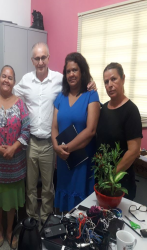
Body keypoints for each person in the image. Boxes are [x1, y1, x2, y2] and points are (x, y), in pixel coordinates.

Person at [13, 43, 96, 224]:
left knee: (48, 187)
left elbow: (79, 84)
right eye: (37, 58)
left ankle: (45, 221)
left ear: (49, 58)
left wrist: (92, 83)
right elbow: (9, 92)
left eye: (44, 57)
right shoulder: (26, 80)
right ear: (32, 60)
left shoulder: (60, 79)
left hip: (52, 144)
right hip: (31, 141)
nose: (40, 62)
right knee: (31, 186)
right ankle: (31, 219)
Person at [0, 65, 30, 249]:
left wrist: (13, 148)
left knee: (10, 202)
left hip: (15, 163)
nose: (6, 80)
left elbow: (26, 130)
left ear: (14, 82)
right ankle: (0, 229)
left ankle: (10, 230)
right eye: (3, 76)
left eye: (10, 77)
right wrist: (1, 150)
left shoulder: (20, 103)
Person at [51, 52, 100, 212]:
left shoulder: (91, 95)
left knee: (82, 207)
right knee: (64, 205)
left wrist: (67, 148)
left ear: (82, 71)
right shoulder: (60, 97)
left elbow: (91, 130)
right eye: (68, 71)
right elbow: (54, 127)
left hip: (82, 160)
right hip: (64, 160)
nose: (71, 74)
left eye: (75, 70)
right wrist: (56, 147)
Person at [96, 62, 142, 200]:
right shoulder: (103, 110)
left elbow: (133, 151)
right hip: (102, 179)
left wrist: (112, 176)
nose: (110, 84)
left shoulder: (131, 111)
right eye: (106, 81)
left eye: (114, 79)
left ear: (123, 79)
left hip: (121, 183)